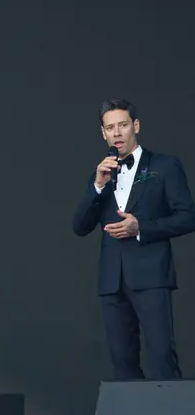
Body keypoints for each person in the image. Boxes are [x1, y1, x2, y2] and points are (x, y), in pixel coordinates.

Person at [72, 99, 195, 380]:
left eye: (123, 125)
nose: (117, 133)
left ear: (135, 126)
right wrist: (98, 186)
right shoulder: (101, 175)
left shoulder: (165, 166)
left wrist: (140, 228)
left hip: (151, 276)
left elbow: (188, 217)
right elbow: (79, 226)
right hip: (112, 282)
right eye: (110, 128)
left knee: (162, 359)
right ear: (103, 133)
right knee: (123, 365)